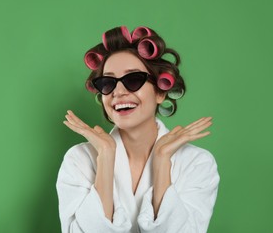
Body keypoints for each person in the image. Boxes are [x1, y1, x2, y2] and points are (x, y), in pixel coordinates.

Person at [56, 26, 220, 233]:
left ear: (160, 92)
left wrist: (162, 160)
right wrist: (105, 158)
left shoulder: (196, 163)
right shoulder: (79, 160)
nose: (118, 92)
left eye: (133, 80)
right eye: (108, 83)